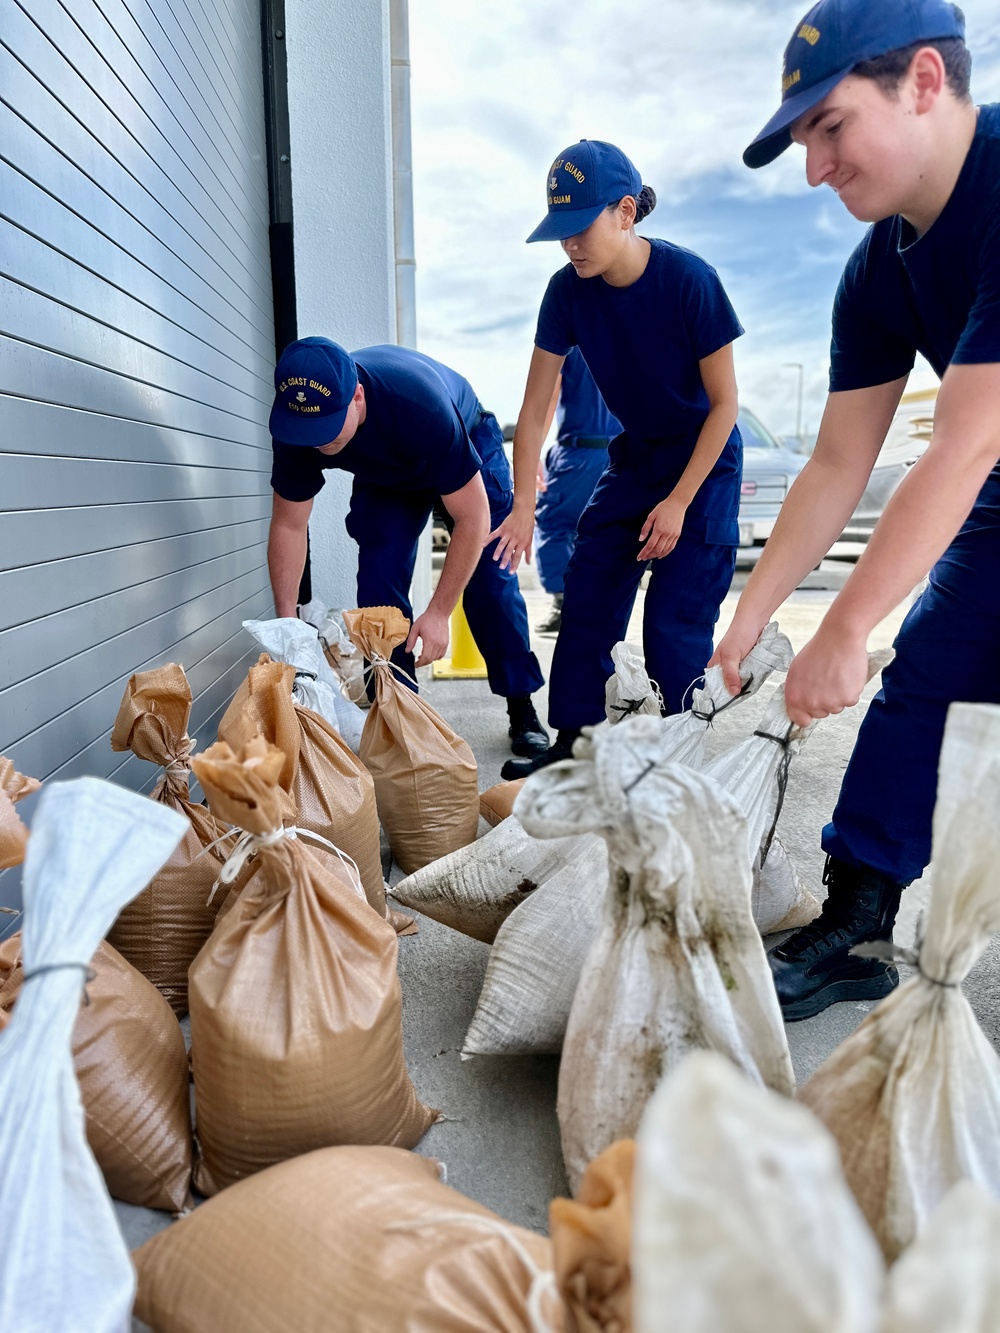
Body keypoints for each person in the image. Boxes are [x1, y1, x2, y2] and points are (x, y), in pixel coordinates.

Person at [716, 0, 998, 1019]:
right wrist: (751, 618)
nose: (813, 168)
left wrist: (841, 629)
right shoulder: (876, 270)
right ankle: (858, 919)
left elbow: (965, 440)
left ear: (924, 81)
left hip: (990, 455)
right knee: (924, 676)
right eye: (803, 142)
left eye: (828, 127)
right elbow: (838, 461)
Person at [493, 139, 744, 780]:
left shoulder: (690, 282)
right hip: (637, 461)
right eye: (560, 233)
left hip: (704, 465)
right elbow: (534, 412)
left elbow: (725, 407)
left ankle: (678, 764)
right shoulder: (567, 293)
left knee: (673, 626)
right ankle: (575, 745)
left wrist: (681, 502)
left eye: (581, 228)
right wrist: (523, 505)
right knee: (587, 598)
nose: (570, 245)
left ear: (626, 212)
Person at [267, 338, 549, 758]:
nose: (315, 443)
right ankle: (400, 714)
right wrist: (287, 628)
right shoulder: (296, 427)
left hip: (461, 439)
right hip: (388, 475)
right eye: (306, 433)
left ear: (357, 397)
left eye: (326, 429)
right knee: (379, 589)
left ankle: (520, 704)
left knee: (489, 581)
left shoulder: (419, 408)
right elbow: (290, 526)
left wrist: (438, 614)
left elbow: (473, 518)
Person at [534, 347, 623, 635]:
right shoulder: (634, 332)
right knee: (612, 528)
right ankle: (604, 606)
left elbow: (546, 398)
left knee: (555, 524)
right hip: (625, 452)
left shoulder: (569, 341)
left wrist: (531, 450)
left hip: (578, 455)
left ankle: (564, 604)